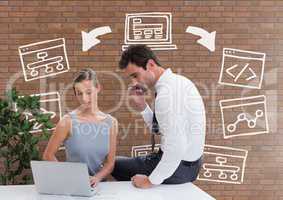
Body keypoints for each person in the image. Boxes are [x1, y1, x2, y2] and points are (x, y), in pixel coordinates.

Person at [111, 45, 206, 189]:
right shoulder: (178, 82)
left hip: (179, 168)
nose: (134, 82)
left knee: (114, 165)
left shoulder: (167, 95)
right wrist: (143, 106)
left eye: (135, 75)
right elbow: (160, 129)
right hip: (189, 165)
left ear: (150, 64)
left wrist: (151, 181)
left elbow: (176, 147)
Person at [43, 68, 118, 187]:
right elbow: (48, 155)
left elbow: (110, 163)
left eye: (88, 92)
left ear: (98, 88)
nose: (84, 98)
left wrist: (96, 178)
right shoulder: (67, 121)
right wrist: (71, 176)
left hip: (98, 187)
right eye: (79, 93)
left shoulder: (111, 123)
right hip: (73, 186)